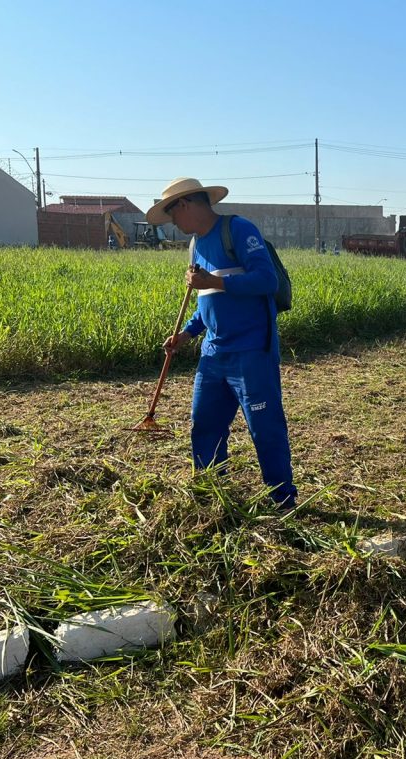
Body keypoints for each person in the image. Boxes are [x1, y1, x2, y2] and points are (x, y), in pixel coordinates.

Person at [149, 177, 297, 510]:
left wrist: (215, 279)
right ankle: (213, 497)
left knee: (265, 428)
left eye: (173, 215)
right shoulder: (195, 245)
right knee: (205, 426)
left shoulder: (239, 230)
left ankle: (283, 501)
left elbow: (266, 280)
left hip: (251, 352)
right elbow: (206, 300)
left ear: (185, 205)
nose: (174, 223)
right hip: (213, 355)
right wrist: (187, 333)